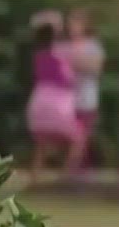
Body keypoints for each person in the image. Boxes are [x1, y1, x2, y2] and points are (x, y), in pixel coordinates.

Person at [25, 21, 85, 183]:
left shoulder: (38, 56)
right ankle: (65, 177)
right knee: (76, 138)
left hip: (39, 100)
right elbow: (68, 78)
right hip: (57, 103)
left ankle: (34, 177)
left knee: (41, 144)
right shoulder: (59, 57)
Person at [61, 8, 106, 174]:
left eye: (76, 23)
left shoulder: (93, 46)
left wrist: (75, 62)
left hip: (86, 99)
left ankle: (74, 170)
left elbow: (95, 68)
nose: (72, 27)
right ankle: (78, 169)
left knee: (82, 135)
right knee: (71, 136)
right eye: (70, 24)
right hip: (64, 100)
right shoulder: (64, 46)